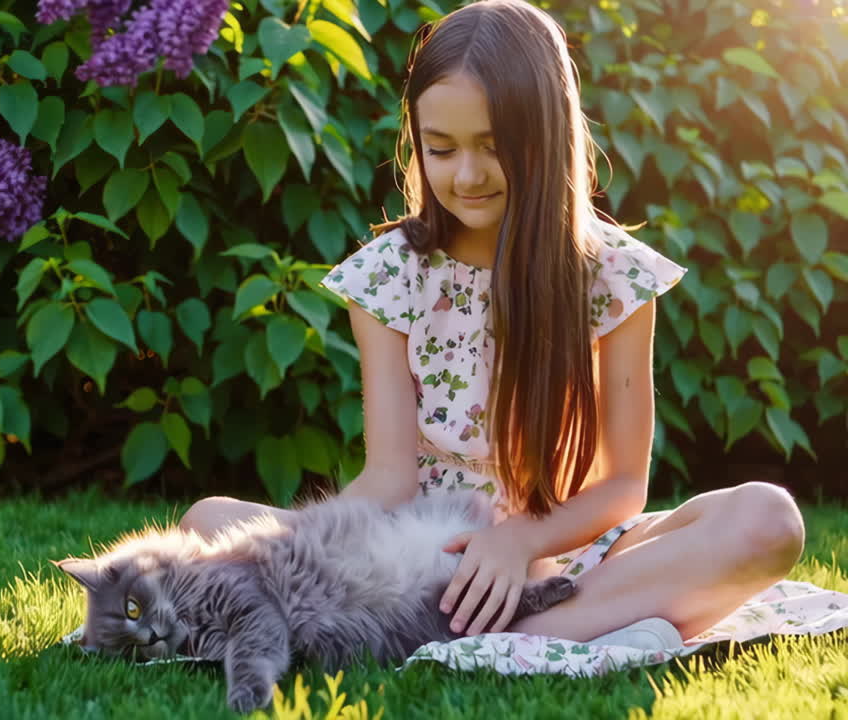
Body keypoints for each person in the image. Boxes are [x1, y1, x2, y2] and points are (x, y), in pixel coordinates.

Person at [179, 0, 805, 650]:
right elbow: (390, 481)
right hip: (428, 557)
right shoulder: (392, 275)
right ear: (416, 140)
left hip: (567, 548)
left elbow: (622, 486)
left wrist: (520, 542)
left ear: (547, 133)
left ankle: (514, 627)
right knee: (210, 523)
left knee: (767, 520)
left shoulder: (614, 275)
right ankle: (552, 630)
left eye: (494, 147)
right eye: (441, 149)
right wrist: (300, 553)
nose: (467, 175)